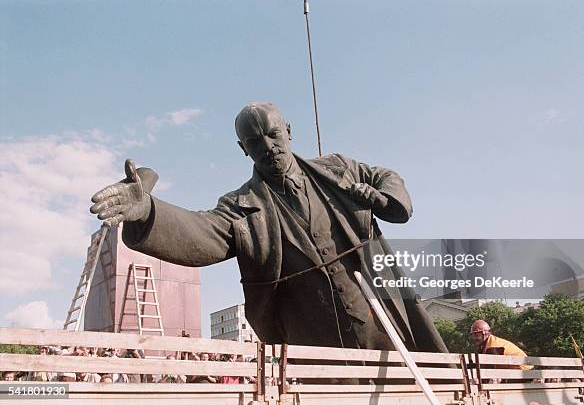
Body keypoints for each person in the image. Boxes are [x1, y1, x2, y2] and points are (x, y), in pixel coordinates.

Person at [90, 102, 447, 354]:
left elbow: (386, 176)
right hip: (315, 350)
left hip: (386, 329)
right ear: (242, 148)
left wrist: (384, 199)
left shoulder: (339, 171)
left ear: (288, 131)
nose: (268, 147)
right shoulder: (241, 207)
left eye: (273, 134)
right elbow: (203, 233)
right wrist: (149, 212)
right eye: (255, 141)